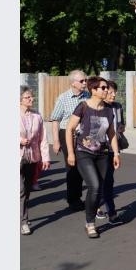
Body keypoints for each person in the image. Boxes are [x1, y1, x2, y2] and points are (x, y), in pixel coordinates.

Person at [65, 76, 121, 239]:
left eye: (106, 88)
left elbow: (111, 134)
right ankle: (90, 223)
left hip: (103, 154)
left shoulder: (109, 110)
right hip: (84, 153)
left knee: (100, 189)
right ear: (93, 90)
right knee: (95, 186)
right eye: (103, 88)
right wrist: (70, 152)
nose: (106, 90)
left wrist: (116, 153)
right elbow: (69, 129)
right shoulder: (82, 107)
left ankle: (92, 217)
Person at [50, 70, 90, 211]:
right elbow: (55, 119)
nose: (85, 83)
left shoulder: (88, 96)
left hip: (84, 135)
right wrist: (55, 141)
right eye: (82, 81)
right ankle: (73, 199)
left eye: (85, 80)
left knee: (84, 165)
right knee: (72, 165)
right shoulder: (63, 98)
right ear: (73, 83)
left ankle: (79, 196)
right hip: (67, 134)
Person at [20, 86, 50, 235]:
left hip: (32, 157)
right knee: (20, 190)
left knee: (26, 190)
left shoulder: (36, 115)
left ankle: (22, 216)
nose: (31, 99)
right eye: (27, 97)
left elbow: (43, 138)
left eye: (32, 97)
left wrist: (45, 158)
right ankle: (23, 221)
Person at [96, 79, 126, 225]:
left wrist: (120, 128)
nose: (113, 95)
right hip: (99, 149)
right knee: (99, 181)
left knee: (108, 180)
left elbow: (122, 123)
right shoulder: (98, 107)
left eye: (115, 92)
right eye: (110, 92)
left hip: (113, 148)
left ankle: (112, 213)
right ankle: (97, 207)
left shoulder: (118, 106)